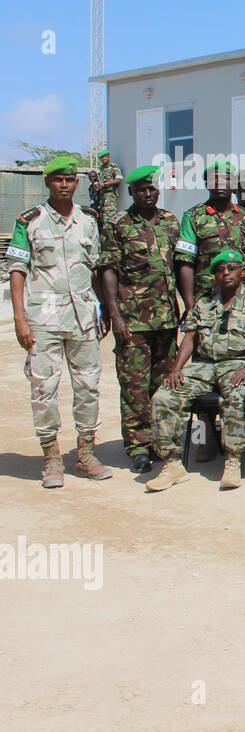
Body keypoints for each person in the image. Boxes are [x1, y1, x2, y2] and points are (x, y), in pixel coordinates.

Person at [6, 155, 112, 487]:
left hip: (82, 318)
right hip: (44, 320)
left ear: (76, 184)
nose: (64, 185)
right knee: (44, 390)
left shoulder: (88, 220)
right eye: (57, 180)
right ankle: (51, 458)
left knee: (88, 388)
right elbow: (17, 271)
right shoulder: (30, 221)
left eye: (69, 180)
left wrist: (105, 309)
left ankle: (85, 454)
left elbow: (95, 269)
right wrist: (20, 320)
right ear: (48, 183)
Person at [145, 251, 245, 492]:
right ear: (214, 275)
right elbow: (190, 337)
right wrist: (176, 368)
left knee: (236, 394)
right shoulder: (203, 302)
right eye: (220, 269)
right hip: (204, 365)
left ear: (242, 272)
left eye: (232, 268)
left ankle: (233, 460)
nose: (226, 273)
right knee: (165, 395)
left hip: (236, 364)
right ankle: (172, 463)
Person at [98, 164, 181, 473]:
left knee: (163, 384)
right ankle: (138, 446)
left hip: (166, 320)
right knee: (134, 385)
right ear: (131, 192)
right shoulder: (119, 224)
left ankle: (161, 441)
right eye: (143, 189)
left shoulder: (171, 222)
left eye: (153, 188)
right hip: (134, 320)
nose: (149, 193)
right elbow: (108, 269)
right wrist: (115, 315)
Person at [176, 159, 245, 312]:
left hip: (243, 300)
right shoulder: (193, 216)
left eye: (226, 179)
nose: (220, 183)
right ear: (207, 184)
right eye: (214, 179)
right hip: (207, 300)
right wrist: (189, 305)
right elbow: (185, 263)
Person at [91, 148, 124, 220]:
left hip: (110, 196)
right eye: (102, 158)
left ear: (108, 156)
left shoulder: (113, 167)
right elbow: (100, 181)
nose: (103, 159)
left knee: (109, 217)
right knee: (102, 218)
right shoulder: (101, 169)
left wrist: (105, 184)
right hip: (102, 196)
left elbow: (119, 179)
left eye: (105, 156)